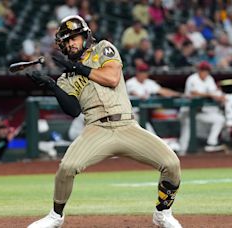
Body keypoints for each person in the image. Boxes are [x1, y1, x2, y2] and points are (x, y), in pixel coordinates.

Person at [25, 15, 182, 228]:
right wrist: (52, 86)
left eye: (75, 37)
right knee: (67, 167)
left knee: (172, 164)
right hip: (97, 128)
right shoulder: (66, 78)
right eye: (67, 40)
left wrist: (78, 68)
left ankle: (162, 213)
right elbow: (72, 110)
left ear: (85, 36)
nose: (72, 43)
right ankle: (56, 216)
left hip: (127, 126)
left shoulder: (102, 49)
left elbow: (111, 78)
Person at [179, 61, 226, 154]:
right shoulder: (192, 79)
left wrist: (219, 95)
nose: (205, 72)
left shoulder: (209, 79)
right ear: (199, 70)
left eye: (207, 70)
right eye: (203, 70)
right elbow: (194, 93)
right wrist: (211, 95)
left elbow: (214, 92)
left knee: (219, 119)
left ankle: (211, 143)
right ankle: (181, 153)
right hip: (188, 112)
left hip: (201, 112)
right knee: (186, 133)